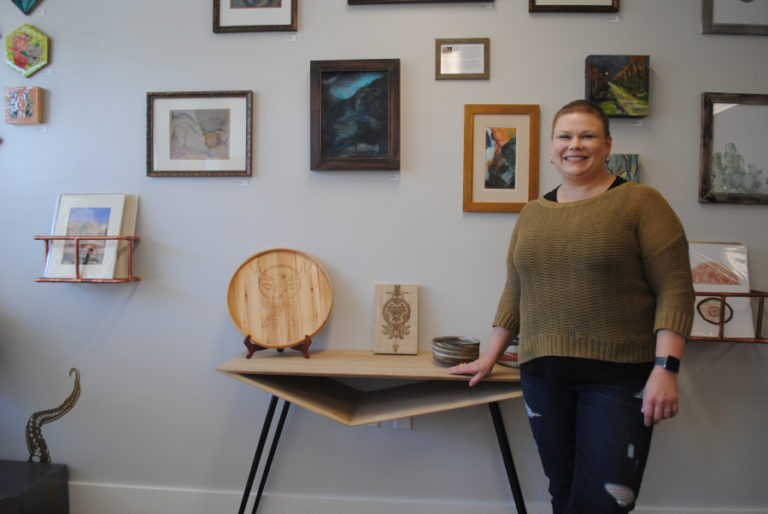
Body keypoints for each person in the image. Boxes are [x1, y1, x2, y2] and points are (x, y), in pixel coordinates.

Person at [447, 99, 694, 513]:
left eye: (587, 135)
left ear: (607, 144)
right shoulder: (532, 213)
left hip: (618, 382)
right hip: (543, 377)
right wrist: (488, 357)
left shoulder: (641, 203)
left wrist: (666, 369)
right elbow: (515, 291)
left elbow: (676, 290)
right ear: (551, 146)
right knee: (563, 494)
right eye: (565, 136)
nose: (574, 145)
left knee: (605, 503)